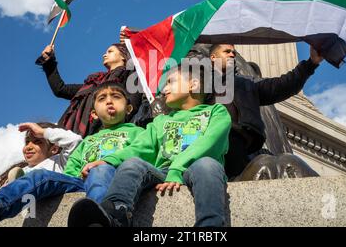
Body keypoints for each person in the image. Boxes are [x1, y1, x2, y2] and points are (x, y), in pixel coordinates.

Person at [0, 82, 144, 227]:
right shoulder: (88, 141)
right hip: (81, 183)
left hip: (115, 183)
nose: (109, 101)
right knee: (39, 176)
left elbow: (144, 157)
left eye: (116, 96)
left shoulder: (139, 132)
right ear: (93, 114)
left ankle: (99, 219)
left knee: (101, 170)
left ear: (129, 108)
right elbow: (71, 170)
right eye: (102, 98)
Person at [67, 62, 232, 227]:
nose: (163, 89)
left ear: (193, 85)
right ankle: (116, 215)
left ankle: (210, 227)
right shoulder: (160, 121)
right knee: (132, 164)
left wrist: (177, 169)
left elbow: (208, 143)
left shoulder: (217, 112)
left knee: (208, 164)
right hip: (163, 171)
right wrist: (109, 160)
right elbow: (140, 148)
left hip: (198, 167)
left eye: (170, 82)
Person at [208, 43, 323, 180]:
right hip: (207, 140)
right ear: (213, 57)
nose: (232, 55)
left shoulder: (248, 84)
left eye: (234, 52)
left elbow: (283, 85)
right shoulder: (197, 81)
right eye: (227, 51)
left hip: (238, 144)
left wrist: (311, 63)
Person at [38, 43, 141, 138]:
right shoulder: (94, 82)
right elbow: (60, 89)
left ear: (123, 55)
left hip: (108, 136)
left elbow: (133, 105)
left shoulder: (133, 75)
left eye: (110, 51)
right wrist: (49, 61)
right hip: (74, 137)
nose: (104, 55)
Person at [0, 122, 81, 193]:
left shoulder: (59, 162)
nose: (29, 147)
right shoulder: (19, 171)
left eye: (37, 141)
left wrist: (43, 132)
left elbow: (75, 141)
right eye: (27, 142)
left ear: (53, 148)